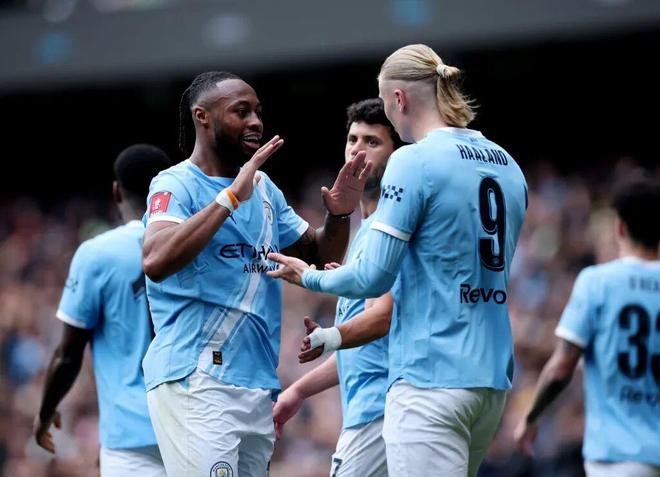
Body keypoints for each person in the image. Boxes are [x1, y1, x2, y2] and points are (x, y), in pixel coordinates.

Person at [268, 44, 528, 476]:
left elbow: (373, 280)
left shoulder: (413, 160)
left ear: (398, 99)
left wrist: (309, 277)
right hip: (489, 380)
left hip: (429, 378)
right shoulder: (508, 164)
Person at [140, 71, 372, 476]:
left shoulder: (263, 188)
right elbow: (155, 261)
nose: (255, 122)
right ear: (202, 117)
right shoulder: (175, 184)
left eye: (258, 112)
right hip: (197, 376)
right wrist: (230, 197)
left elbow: (317, 256)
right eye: (241, 111)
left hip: (257, 382)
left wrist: (339, 214)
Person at [273, 98, 401, 477]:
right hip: (371, 410)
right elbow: (362, 348)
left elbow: (382, 318)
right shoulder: (365, 231)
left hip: (381, 411)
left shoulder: (391, 227)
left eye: (373, 142)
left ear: (397, 154)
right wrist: (299, 390)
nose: (358, 150)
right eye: (352, 139)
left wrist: (330, 335)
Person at [34, 144, 171, 476]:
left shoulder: (97, 254)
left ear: (116, 192)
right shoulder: (194, 246)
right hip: (193, 426)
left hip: (129, 436)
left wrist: (45, 413)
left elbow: (68, 355)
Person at [514, 178, 660, 477]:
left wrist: (531, 416)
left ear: (620, 228)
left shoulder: (597, 282)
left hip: (617, 457)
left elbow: (561, 367)